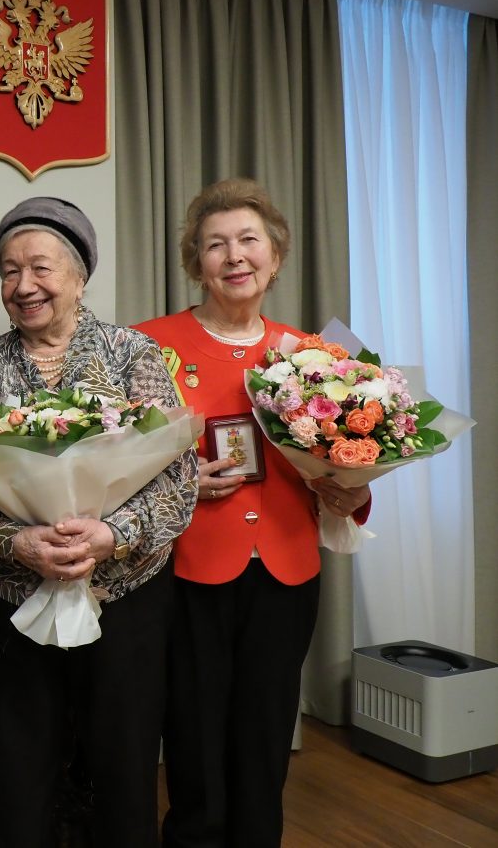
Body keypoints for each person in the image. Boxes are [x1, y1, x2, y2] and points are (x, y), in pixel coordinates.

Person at [0, 197, 199, 846]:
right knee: (21, 769)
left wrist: (113, 534)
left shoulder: (132, 353)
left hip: (125, 597)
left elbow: (178, 473)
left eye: (40, 268)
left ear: (79, 277)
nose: (23, 286)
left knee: (123, 767)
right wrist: (14, 540)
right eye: (8, 270)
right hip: (16, 595)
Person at [134, 177, 372, 848]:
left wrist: (353, 492)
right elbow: (116, 465)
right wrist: (181, 480)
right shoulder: (148, 346)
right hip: (187, 574)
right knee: (193, 737)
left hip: (286, 572)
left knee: (265, 737)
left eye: (248, 241)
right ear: (195, 261)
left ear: (274, 255)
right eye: (215, 245)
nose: (233, 256)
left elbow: (347, 456)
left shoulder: (320, 357)